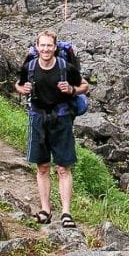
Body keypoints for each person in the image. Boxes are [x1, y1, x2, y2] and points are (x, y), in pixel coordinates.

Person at [14, 28, 88, 228]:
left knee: (63, 168)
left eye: (49, 45)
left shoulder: (65, 67)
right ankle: (45, 210)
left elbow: (84, 86)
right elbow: (18, 85)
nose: (45, 49)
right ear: (37, 47)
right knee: (43, 166)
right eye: (42, 45)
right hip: (38, 118)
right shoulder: (29, 67)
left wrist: (72, 89)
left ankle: (66, 213)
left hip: (62, 119)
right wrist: (23, 89)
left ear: (55, 48)